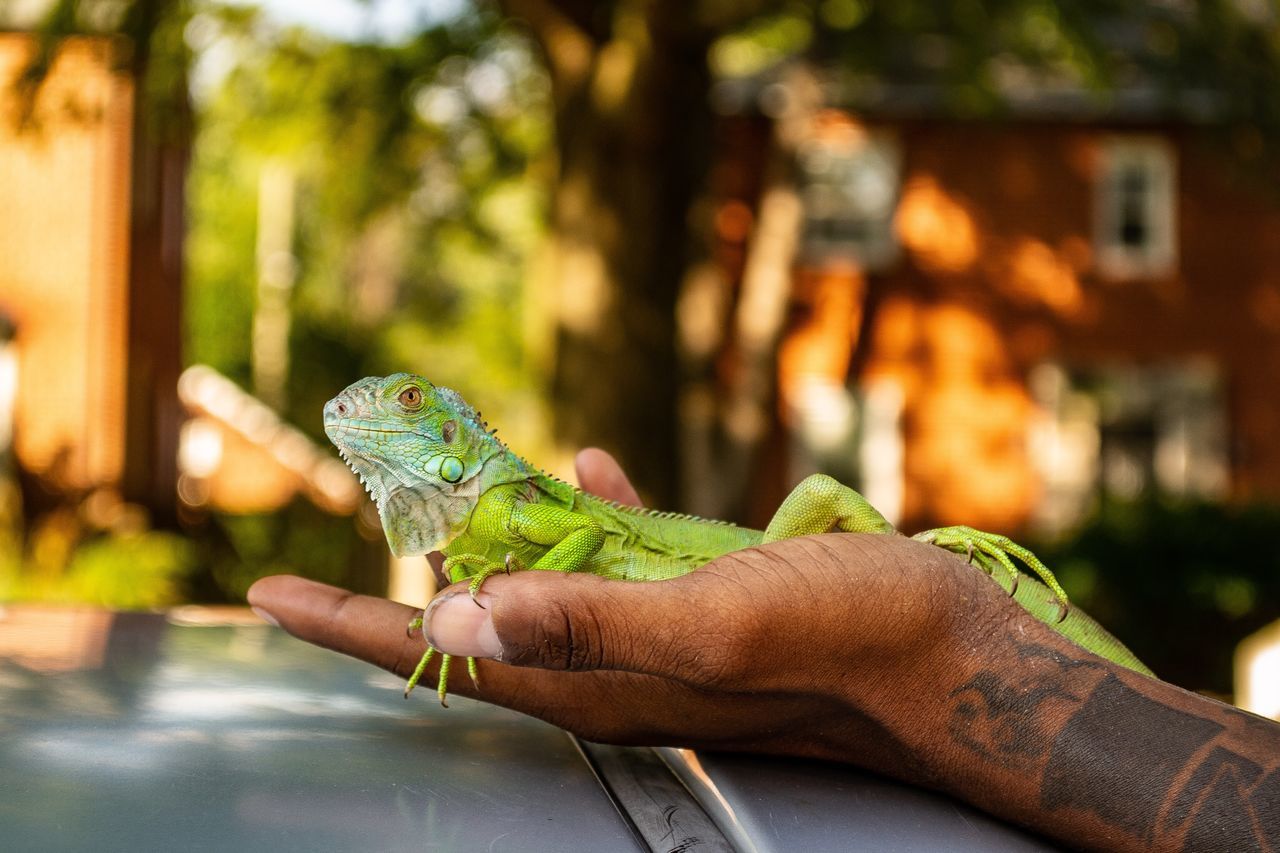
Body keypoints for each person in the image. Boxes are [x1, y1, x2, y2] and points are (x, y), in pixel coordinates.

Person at [249, 448, 1279, 852]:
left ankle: (921, 555)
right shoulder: (488, 518)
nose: (382, 418)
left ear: (455, 440)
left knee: (824, 496)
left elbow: (573, 552)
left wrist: (930, 601)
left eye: (411, 405)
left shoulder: (527, 504)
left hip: (731, 559)